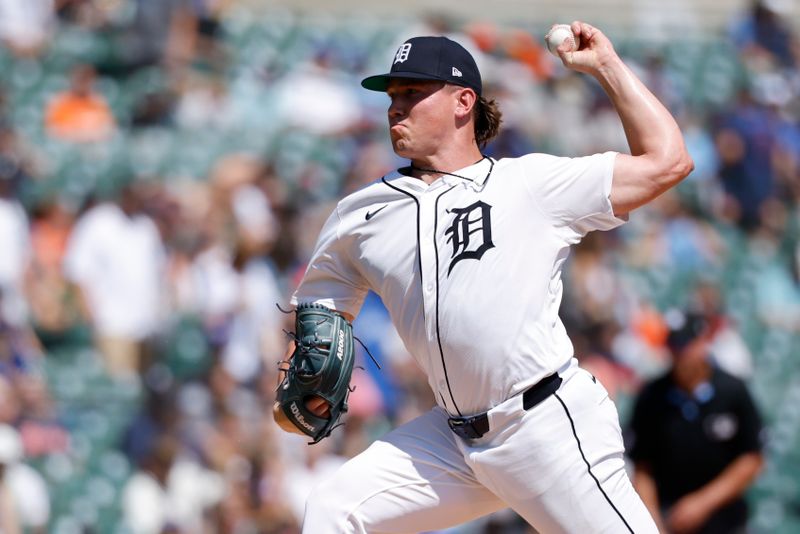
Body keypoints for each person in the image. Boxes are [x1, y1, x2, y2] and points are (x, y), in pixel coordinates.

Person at [274, 21, 694, 533]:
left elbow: (667, 161)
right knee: (334, 508)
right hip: (452, 442)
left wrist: (605, 65)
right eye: (391, 94)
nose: (395, 105)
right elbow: (321, 315)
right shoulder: (359, 214)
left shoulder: (529, 184)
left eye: (412, 92)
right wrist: (299, 387)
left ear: (463, 101)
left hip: (544, 425)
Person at [627, 310, 764, 534]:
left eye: (686, 345)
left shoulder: (732, 391)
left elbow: (751, 458)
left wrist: (703, 502)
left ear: (703, 342)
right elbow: (642, 465)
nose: (680, 354)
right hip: (670, 520)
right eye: (674, 346)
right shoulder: (652, 396)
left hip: (725, 521)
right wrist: (651, 522)